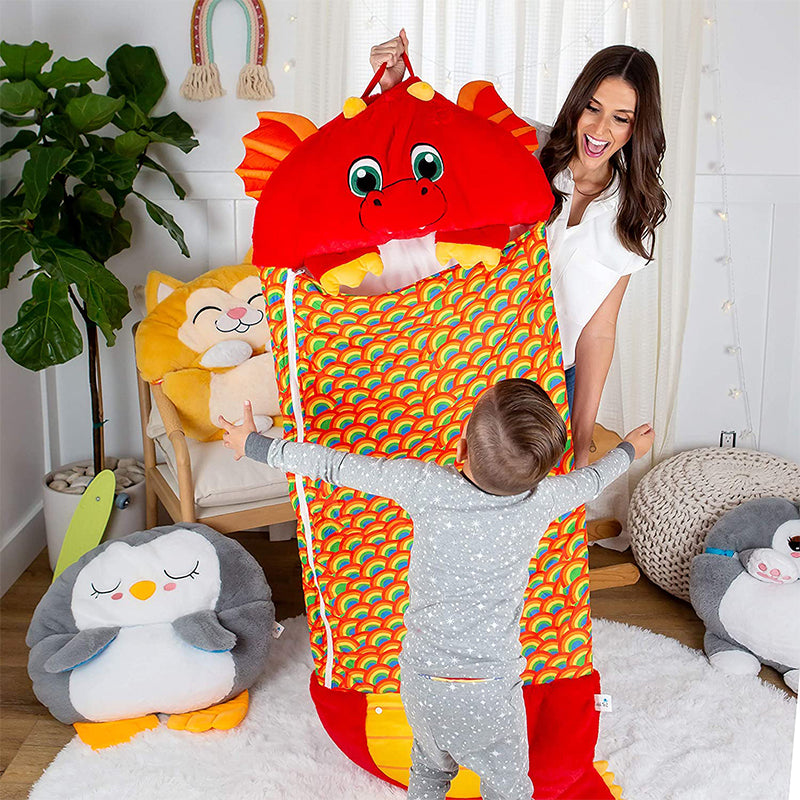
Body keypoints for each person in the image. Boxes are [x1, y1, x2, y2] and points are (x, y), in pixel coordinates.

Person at [220, 378, 654, 800]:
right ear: (540, 473)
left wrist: (253, 444)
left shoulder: (425, 484)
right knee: (509, 789)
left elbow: (332, 464)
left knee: (429, 770)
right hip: (489, 693)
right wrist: (629, 449)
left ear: (461, 449)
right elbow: (594, 479)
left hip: (421, 681)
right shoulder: (543, 500)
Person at [369, 33, 668, 468]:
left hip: (552, 380)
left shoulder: (633, 212)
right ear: (577, 103)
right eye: (593, 108)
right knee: (447, 482)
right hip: (474, 355)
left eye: (620, 118)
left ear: (638, 126)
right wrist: (394, 87)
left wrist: (582, 441)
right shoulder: (526, 146)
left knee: (538, 498)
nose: (600, 129)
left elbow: (599, 331)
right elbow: (436, 147)